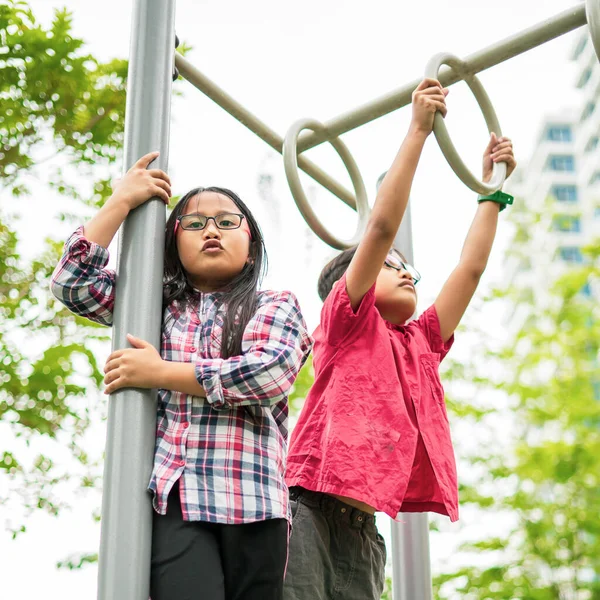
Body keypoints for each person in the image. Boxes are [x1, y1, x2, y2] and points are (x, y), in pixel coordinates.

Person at [283, 79, 517, 600]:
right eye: (392, 266)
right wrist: (418, 129)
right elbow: (382, 226)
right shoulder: (348, 322)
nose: (407, 273)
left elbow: (471, 269)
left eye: (409, 268)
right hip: (309, 509)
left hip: (365, 528)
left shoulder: (422, 341)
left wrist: (492, 192)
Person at [50, 154, 313, 600]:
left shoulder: (273, 303)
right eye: (194, 224)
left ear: (252, 245)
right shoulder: (154, 304)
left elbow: (269, 373)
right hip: (179, 497)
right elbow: (72, 283)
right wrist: (120, 201)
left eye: (227, 222)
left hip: (256, 501)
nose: (211, 230)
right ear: (172, 245)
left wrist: (161, 372)